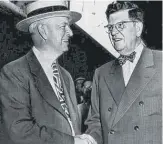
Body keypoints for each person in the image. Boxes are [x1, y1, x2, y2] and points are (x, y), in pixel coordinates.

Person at [0, 1, 88, 144]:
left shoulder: (66, 77)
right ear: (43, 30)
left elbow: (71, 127)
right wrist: (72, 141)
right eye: (63, 26)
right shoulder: (14, 73)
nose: (70, 33)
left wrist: (79, 138)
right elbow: (19, 130)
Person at [77, 1, 162, 144]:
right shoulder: (101, 74)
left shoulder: (161, 63)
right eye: (110, 27)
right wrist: (89, 139)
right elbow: (96, 123)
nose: (114, 32)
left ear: (138, 28)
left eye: (120, 25)